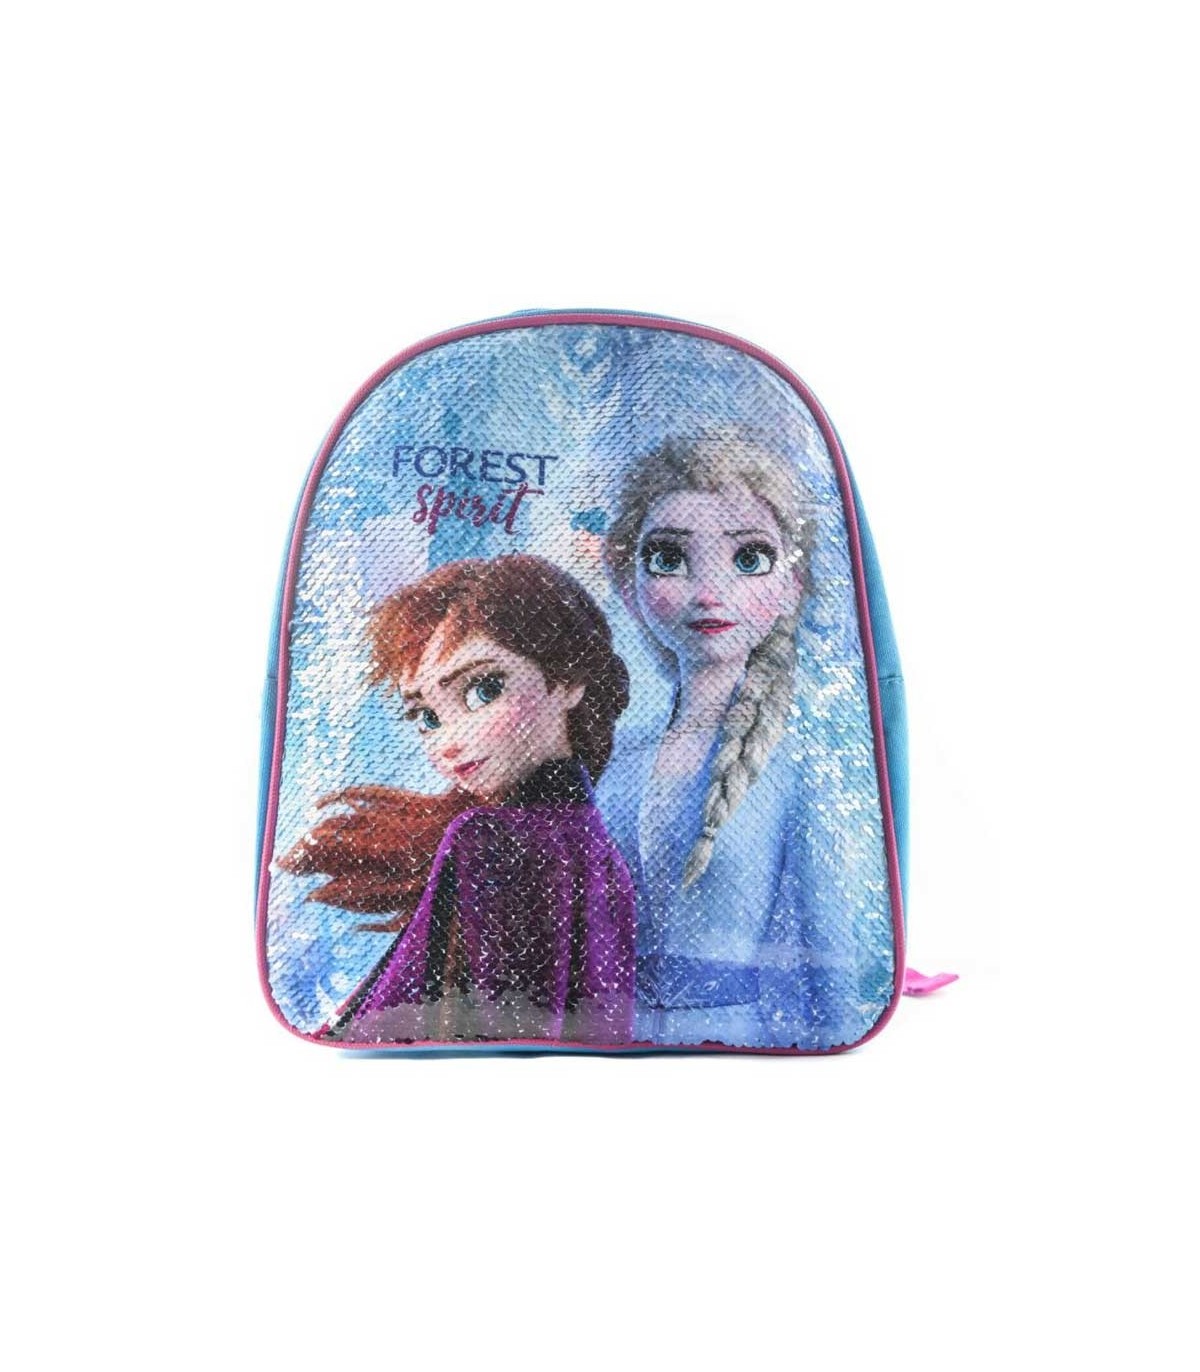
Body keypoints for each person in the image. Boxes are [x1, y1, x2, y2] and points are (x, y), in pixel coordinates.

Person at [277, 553, 637, 1045]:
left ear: (568, 680)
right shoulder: (597, 851)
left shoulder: (494, 840)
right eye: (427, 717)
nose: (447, 741)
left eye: (483, 690)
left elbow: (484, 1038)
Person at [598, 432, 823, 1047]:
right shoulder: (615, 759)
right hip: (603, 1046)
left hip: (738, 1046)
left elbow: (823, 941)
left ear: (792, 586)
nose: (707, 592)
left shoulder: (793, 767)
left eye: (749, 559)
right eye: (668, 557)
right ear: (628, 588)